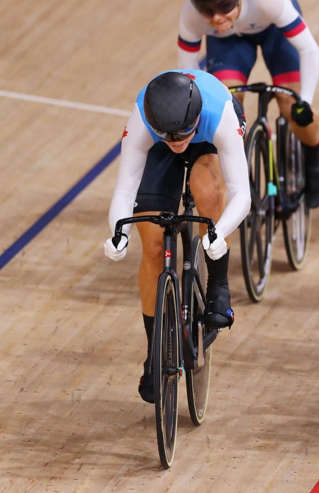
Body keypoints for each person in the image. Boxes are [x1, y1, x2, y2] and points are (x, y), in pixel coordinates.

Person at [104, 70, 250, 403]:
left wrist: (220, 234)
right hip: (156, 152)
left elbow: (243, 194)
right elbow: (124, 192)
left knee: (209, 192)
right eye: (169, 137)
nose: (176, 141)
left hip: (208, 143)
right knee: (152, 246)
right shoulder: (143, 120)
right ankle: (155, 352)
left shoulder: (219, 114)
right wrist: (119, 234)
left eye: (182, 134)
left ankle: (219, 287)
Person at [179, 0, 319, 208]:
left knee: (292, 106)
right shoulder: (191, 14)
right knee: (226, 108)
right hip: (228, 41)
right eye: (207, 11)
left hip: (275, 32)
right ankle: (240, 175)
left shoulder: (269, 3)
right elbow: (189, 72)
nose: (216, 18)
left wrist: (305, 101)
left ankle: (314, 158)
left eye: (224, 7)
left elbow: (309, 49)